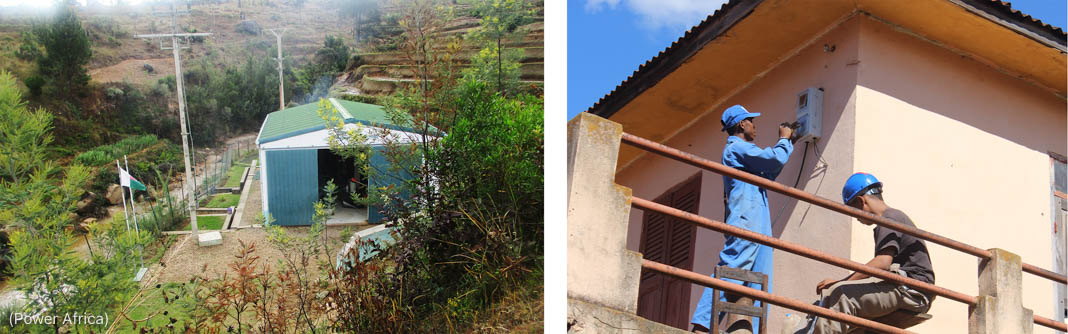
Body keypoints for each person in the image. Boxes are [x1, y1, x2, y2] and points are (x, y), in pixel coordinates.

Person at [691, 105, 795, 334]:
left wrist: (787, 144)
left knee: (759, 277)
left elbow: (769, 171)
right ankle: (702, 324)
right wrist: (784, 140)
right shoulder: (736, 148)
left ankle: (752, 329)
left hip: (758, 219)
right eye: (751, 121)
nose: (754, 126)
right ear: (741, 124)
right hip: (746, 218)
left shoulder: (744, 152)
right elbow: (772, 160)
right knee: (734, 268)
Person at [808, 173, 935, 334]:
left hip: (913, 291)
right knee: (826, 302)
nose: (856, 218)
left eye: (854, 211)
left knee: (842, 296)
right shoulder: (892, 218)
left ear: (862, 201)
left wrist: (840, 283)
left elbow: (882, 262)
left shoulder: (889, 217)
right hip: (902, 287)